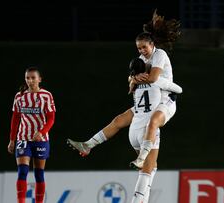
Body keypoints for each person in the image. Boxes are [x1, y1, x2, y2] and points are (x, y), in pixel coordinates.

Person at [67, 9, 180, 168]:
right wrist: (132, 79)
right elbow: (131, 84)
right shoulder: (141, 58)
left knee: (153, 123)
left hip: (165, 100)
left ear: (152, 45)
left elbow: (153, 78)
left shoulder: (159, 54)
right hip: (149, 100)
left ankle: (142, 157)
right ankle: (88, 145)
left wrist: (135, 80)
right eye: (139, 48)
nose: (141, 51)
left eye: (144, 47)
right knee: (119, 120)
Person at [69, 58, 181, 203]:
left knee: (151, 166)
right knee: (146, 172)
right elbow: (178, 89)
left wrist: (133, 79)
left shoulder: (134, 83)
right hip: (148, 132)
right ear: (147, 69)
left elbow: (131, 87)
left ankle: (89, 144)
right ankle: (137, 200)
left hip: (133, 131)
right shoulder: (155, 80)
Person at [7, 66, 56, 203]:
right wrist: (12, 140)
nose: (30, 80)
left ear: (39, 79)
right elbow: (15, 118)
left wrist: (42, 132)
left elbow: (51, 118)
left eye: (33, 78)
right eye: (27, 78)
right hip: (23, 138)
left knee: (38, 174)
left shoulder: (46, 96)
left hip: (41, 139)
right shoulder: (20, 96)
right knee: (22, 171)